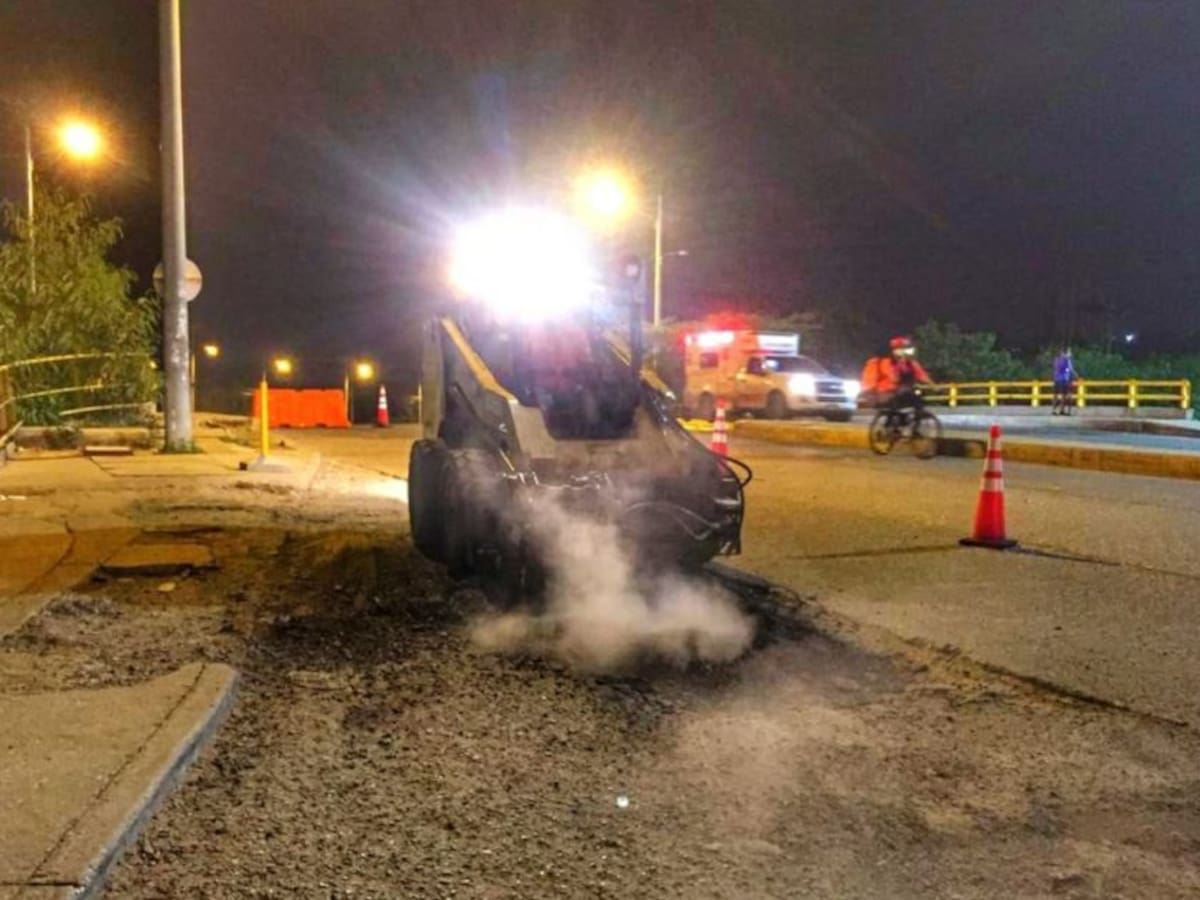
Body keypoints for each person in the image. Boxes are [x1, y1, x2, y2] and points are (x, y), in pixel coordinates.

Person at [861, 337, 932, 417]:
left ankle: (904, 421)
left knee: (912, 399)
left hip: (891, 394)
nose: (905, 353)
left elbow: (921, 374)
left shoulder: (908, 363)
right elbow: (894, 377)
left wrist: (931, 384)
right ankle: (913, 416)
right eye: (902, 350)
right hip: (886, 394)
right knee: (913, 399)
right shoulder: (888, 363)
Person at [1052, 347, 1078, 416]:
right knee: (1065, 395)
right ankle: (1064, 410)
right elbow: (1070, 370)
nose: (1070, 354)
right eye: (1069, 353)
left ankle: (1054, 410)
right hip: (1065, 380)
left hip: (1056, 379)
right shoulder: (1067, 360)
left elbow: (1055, 369)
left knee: (1055, 395)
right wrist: (1076, 375)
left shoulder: (1056, 360)